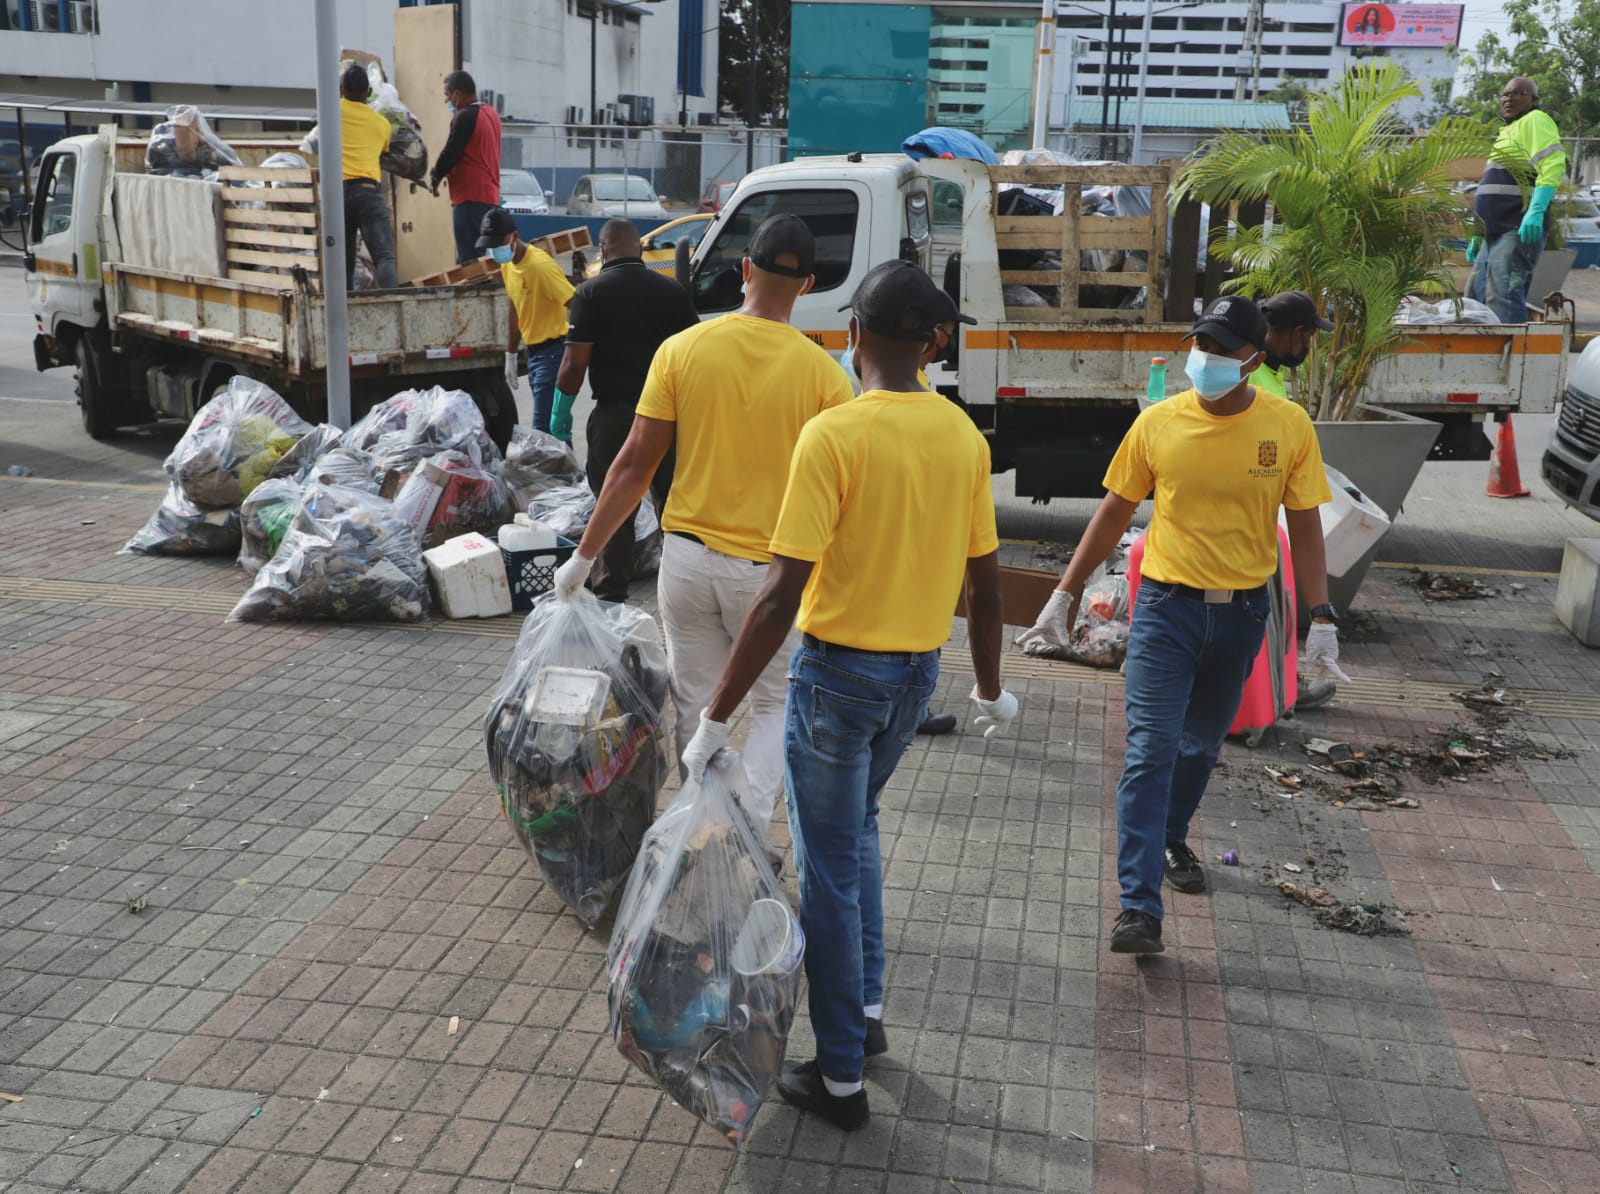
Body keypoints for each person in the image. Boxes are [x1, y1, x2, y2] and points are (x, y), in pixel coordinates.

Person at [676, 260, 1019, 1131]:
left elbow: (778, 593)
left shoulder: (834, 435)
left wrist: (715, 716)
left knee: (828, 872)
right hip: (914, 676)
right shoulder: (964, 440)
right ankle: (863, 1020)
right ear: (934, 343)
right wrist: (989, 687)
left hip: (835, 683)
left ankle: (837, 1083)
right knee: (854, 833)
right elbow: (985, 587)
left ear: (854, 335)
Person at [1018, 296, 1341, 956]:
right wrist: (1064, 595)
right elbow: (1113, 513)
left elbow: (1305, 526)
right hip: (1166, 608)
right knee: (1150, 750)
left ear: (1254, 359)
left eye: (1223, 350)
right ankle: (1138, 907)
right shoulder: (1159, 424)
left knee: (1198, 747)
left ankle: (1167, 835)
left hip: (1243, 612)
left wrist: (1322, 617)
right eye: (1203, 344)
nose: (1208, 359)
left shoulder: (1288, 427)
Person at [551, 215, 854, 828]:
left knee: (695, 706)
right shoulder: (825, 375)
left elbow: (633, 466)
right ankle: (748, 832)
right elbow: (840, 495)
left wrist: (583, 560)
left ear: (745, 270)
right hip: (772, 578)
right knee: (773, 705)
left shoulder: (684, 350)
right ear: (808, 285)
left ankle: (700, 829)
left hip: (685, 564)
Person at [554, 218, 699, 601]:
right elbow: (692, 356)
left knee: (615, 507)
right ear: (639, 250)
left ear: (602, 252)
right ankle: (682, 591)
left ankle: (609, 598)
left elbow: (572, 367)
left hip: (615, 417)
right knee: (674, 507)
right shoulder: (672, 292)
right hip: (667, 416)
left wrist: (561, 410)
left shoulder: (591, 292)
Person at [1251, 290, 1344, 711]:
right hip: (1252, 524)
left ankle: (1281, 684)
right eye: (1309, 336)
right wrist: (1321, 613)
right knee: (1267, 608)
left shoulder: (1264, 370)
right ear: (1295, 333)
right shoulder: (1258, 378)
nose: (1309, 346)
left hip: (1257, 518)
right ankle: (1282, 688)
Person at [1467, 77, 1566, 325]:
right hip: (1494, 229)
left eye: (1518, 94)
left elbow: (1552, 165)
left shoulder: (1536, 120)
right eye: (1505, 94)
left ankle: (1509, 358)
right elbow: (1494, 186)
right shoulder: (1507, 131)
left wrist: (1536, 211)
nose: (1509, 99)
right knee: (1476, 296)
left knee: (1502, 294)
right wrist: (1479, 232)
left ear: (1533, 100)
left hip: (1516, 224)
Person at [478, 207, 575, 433]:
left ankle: (564, 468)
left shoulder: (540, 267)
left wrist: (579, 346)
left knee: (542, 431)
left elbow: (576, 302)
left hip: (554, 354)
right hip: (535, 355)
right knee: (555, 432)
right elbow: (515, 306)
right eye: (490, 246)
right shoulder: (507, 264)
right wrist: (510, 354)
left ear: (515, 237)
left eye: (498, 244)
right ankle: (569, 469)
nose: (494, 250)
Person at [430, 70, 503, 265]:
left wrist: (435, 175)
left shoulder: (465, 116)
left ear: (458, 94)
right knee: (478, 257)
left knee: (469, 261)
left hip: (470, 197)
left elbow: (451, 152)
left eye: (447, 95)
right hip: (490, 196)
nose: (447, 101)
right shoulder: (491, 114)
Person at [337, 64, 399, 291]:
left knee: (342, 260)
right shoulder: (382, 124)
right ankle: (392, 307)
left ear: (341, 89)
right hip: (368, 192)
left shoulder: (330, 112)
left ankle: (344, 310)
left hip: (338, 196)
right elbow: (385, 152)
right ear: (368, 92)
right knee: (384, 257)